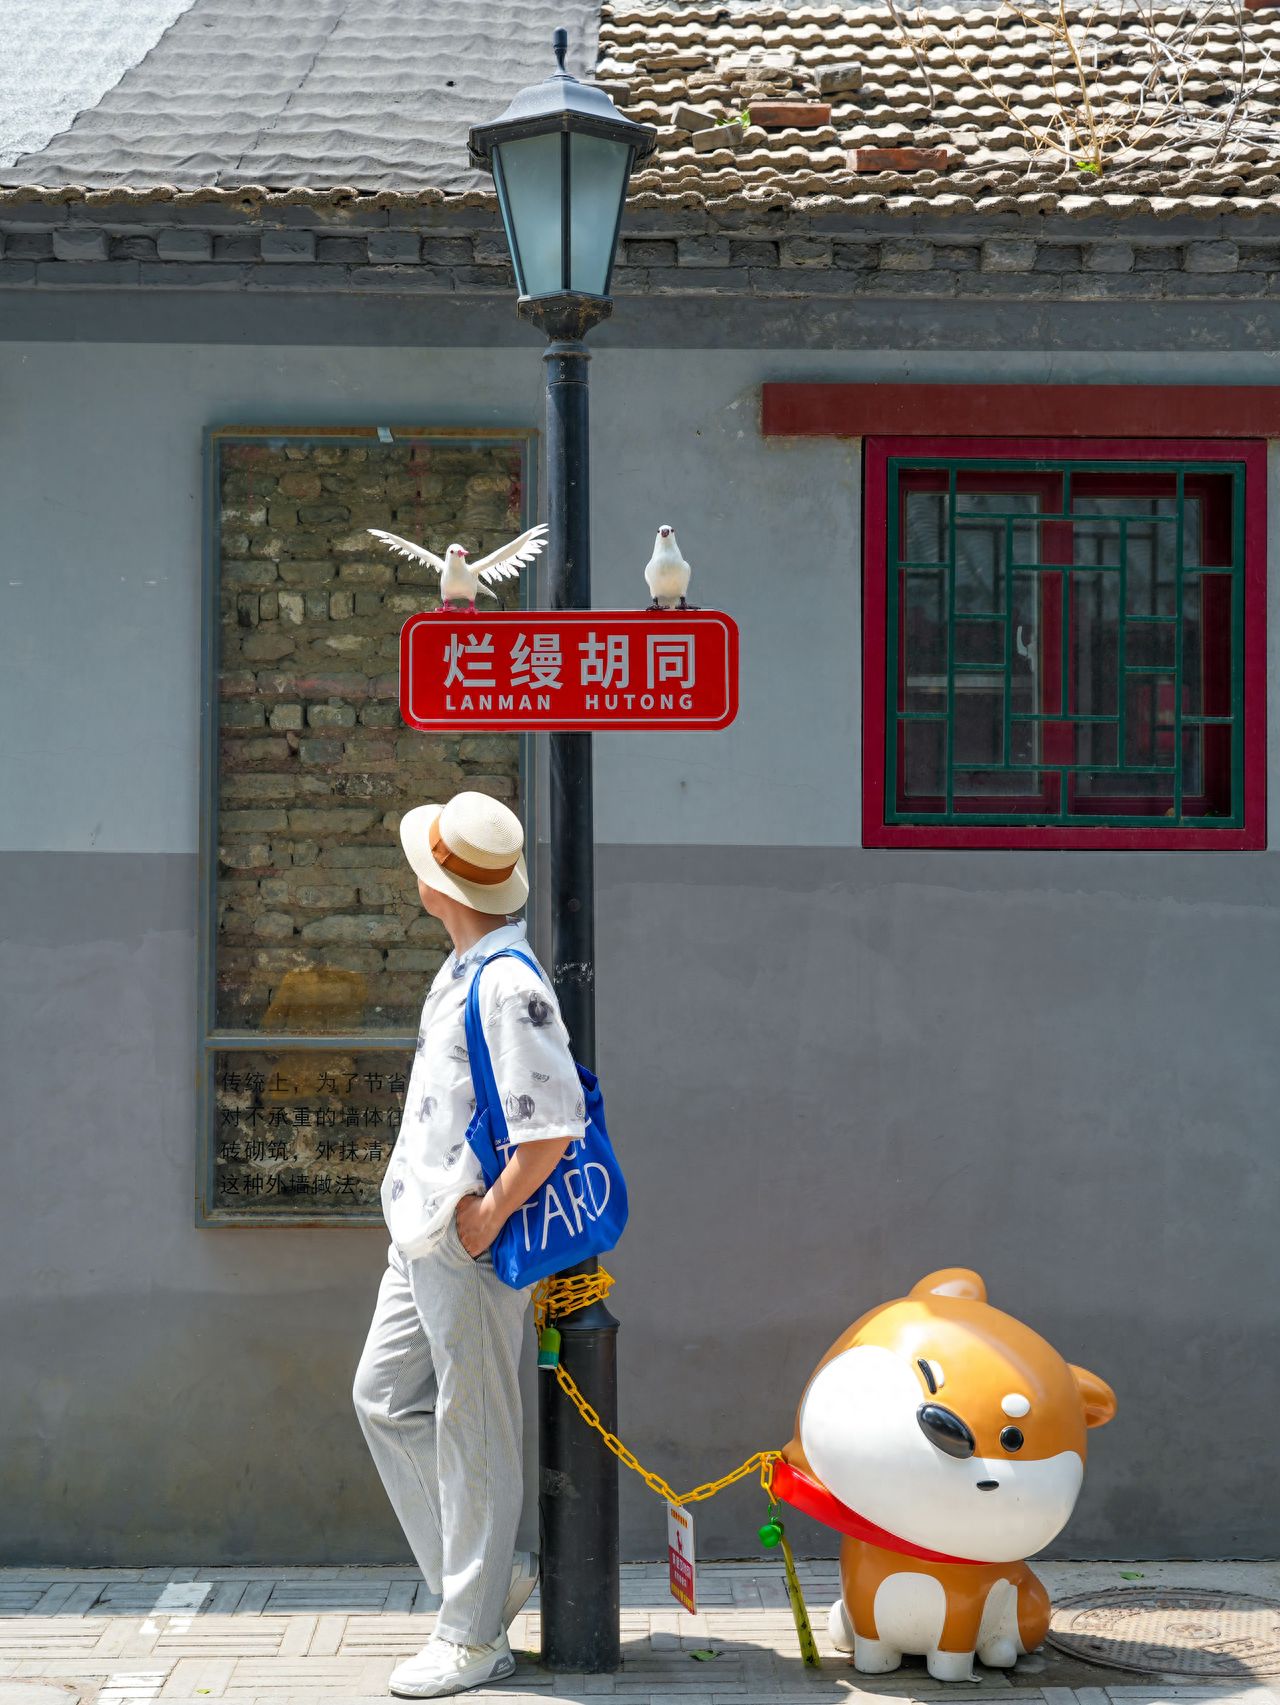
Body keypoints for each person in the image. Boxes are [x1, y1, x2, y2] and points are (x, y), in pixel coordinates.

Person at [353, 791, 587, 1698]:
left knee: (472, 1422)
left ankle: (471, 1631)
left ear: (436, 883)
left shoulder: (507, 982)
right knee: (383, 1397)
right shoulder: (465, 965)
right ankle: (487, 1582)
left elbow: (553, 1124)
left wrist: (488, 1215)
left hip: (463, 1236)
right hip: (419, 1226)